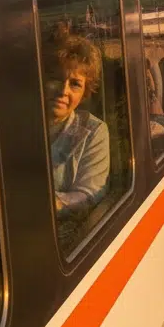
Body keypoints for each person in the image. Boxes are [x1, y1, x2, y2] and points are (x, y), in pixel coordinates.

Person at [44, 34, 109, 217]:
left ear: (85, 93)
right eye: (57, 79)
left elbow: (89, 193)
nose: (63, 91)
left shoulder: (94, 132)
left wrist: (49, 204)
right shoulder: (19, 124)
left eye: (75, 84)